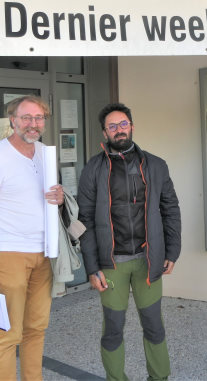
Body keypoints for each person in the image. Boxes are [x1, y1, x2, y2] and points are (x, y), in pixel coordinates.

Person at [78, 102, 181, 381]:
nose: (119, 130)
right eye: (112, 126)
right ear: (105, 132)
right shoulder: (93, 169)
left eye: (123, 124)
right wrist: (91, 267)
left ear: (132, 126)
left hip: (148, 260)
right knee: (113, 327)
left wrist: (172, 250)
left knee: (153, 325)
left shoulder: (156, 165)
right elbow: (83, 220)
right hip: (111, 263)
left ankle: (159, 377)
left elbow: (170, 209)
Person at [0, 95, 65, 381]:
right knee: (9, 334)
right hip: (8, 254)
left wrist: (57, 197)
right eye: (26, 118)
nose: (33, 124)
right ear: (12, 121)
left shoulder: (45, 152)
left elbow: (43, 199)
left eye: (38, 118)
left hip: (43, 253)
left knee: (36, 329)